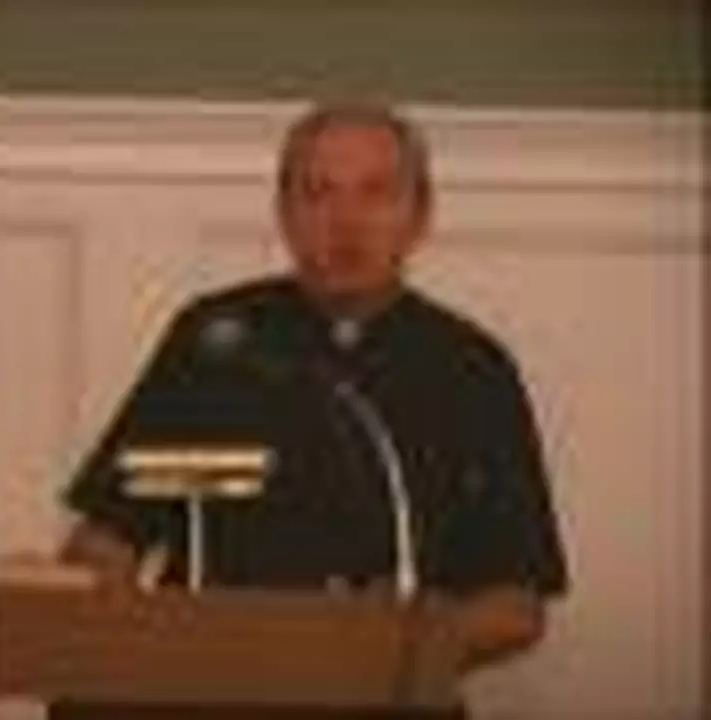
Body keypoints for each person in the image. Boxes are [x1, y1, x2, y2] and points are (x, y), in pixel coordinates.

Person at [55, 101, 570, 717]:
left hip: (383, 698)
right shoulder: (217, 341)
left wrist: (408, 642)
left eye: (377, 193)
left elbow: (518, 607)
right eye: (318, 193)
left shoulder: (472, 369)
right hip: (208, 694)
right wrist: (114, 645)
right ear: (284, 214)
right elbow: (106, 542)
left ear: (421, 216)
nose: (346, 222)